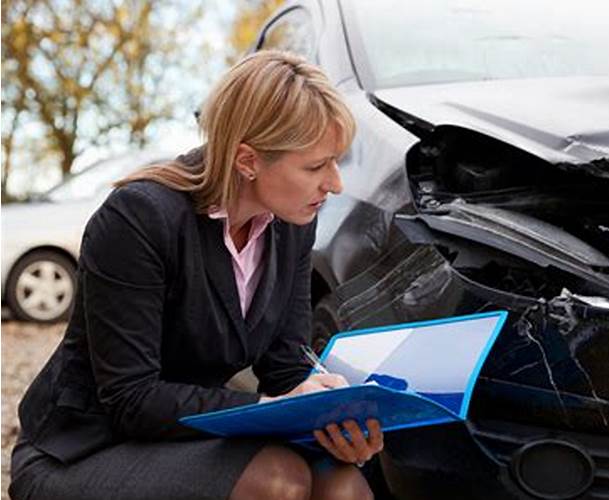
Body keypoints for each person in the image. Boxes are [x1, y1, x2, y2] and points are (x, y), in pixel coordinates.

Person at [9, 50, 383, 500]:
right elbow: (132, 399)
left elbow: (285, 367)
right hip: (83, 451)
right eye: (315, 166)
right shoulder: (139, 219)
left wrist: (330, 414)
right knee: (279, 480)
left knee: (345, 485)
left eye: (336, 160)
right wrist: (271, 408)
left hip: (189, 442)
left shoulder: (290, 225)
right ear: (248, 160)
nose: (335, 184)